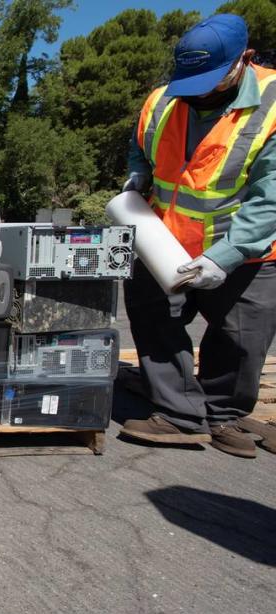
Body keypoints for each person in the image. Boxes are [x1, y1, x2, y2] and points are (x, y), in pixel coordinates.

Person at [119, 14, 276, 458]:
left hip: (246, 248)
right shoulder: (162, 100)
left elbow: (270, 199)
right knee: (155, 323)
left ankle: (224, 411)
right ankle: (178, 415)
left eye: (210, 79)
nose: (198, 91)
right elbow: (141, 143)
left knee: (240, 337)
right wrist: (138, 172)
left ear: (243, 60)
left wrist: (225, 255)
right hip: (164, 239)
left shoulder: (272, 105)